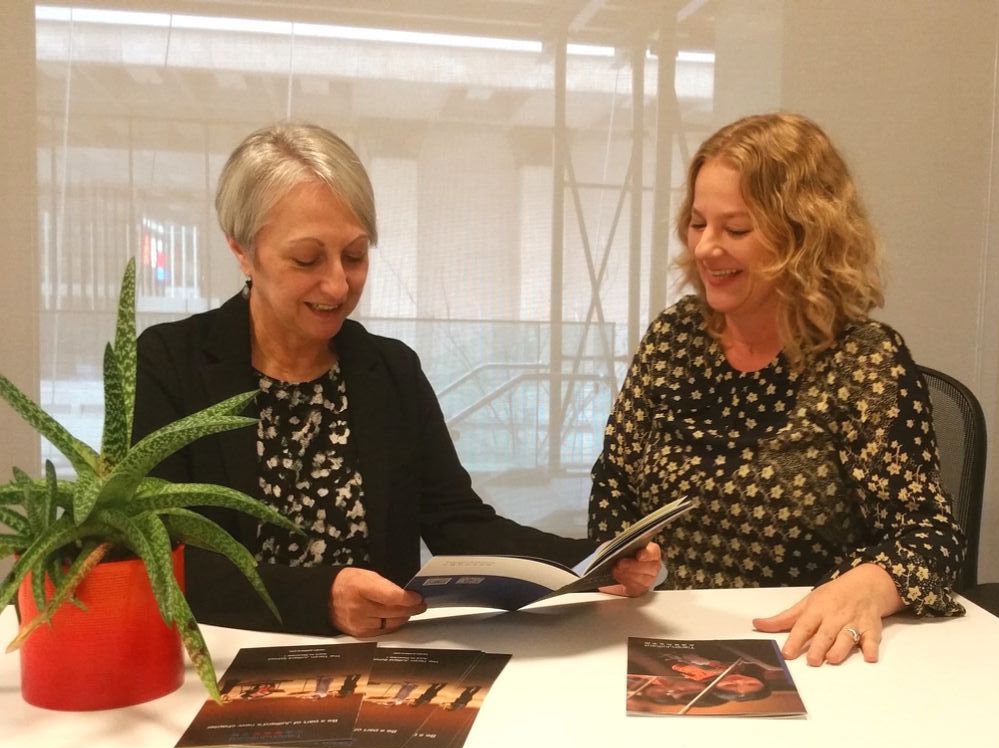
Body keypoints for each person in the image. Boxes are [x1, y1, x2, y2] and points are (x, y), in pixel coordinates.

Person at [133, 122, 661, 638]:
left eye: (356, 255)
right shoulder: (172, 364)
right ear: (241, 250)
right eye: (307, 258)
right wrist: (322, 598)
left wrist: (594, 561)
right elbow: (161, 559)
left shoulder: (389, 371)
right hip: (223, 669)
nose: (338, 284)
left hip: (381, 673)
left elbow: (459, 525)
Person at [588, 112, 965, 667]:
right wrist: (622, 559)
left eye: (736, 229)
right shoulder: (674, 337)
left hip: (807, 653)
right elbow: (615, 482)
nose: (706, 248)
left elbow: (930, 537)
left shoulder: (863, 360)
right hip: (664, 647)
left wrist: (871, 583)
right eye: (697, 224)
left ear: (806, 235)